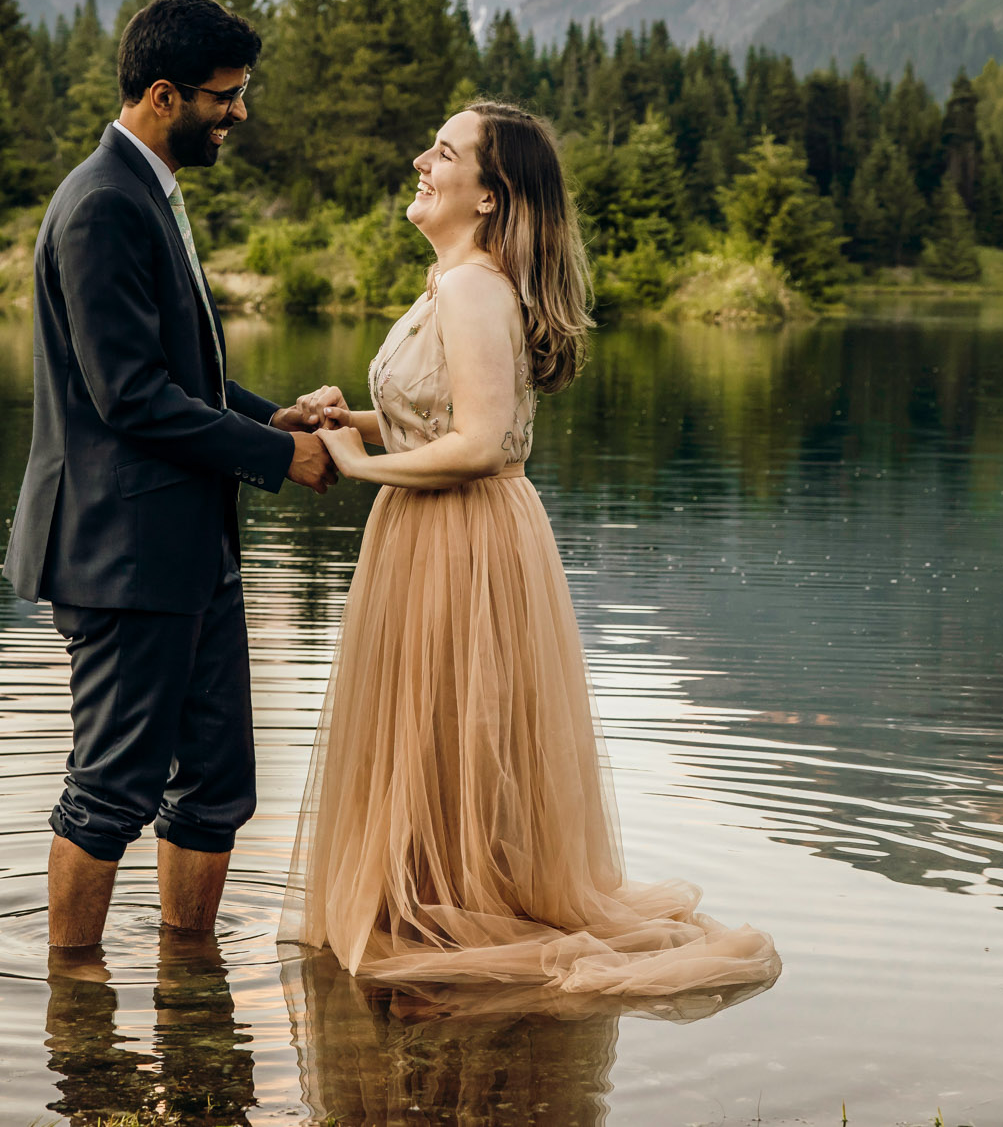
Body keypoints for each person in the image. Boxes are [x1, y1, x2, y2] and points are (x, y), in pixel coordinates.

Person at [278, 102, 782, 996]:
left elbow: (483, 444)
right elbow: (448, 417)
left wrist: (358, 463)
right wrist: (349, 417)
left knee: (452, 739)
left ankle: (448, 922)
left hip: (459, 539)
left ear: (489, 195)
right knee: (438, 741)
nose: (422, 163)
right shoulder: (456, 280)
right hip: (439, 530)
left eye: (444, 152)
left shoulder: (473, 285)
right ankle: (433, 911)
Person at [3, 0, 334, 952]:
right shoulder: (103, 202)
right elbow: (131, 396)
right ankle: (77, 1004)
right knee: (110, 788)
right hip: (125, 554)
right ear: (162, 94)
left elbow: (185, 377)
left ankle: (190, 984)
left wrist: (273, 415)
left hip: (189, 550)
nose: (238, 115)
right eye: (225, 98)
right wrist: (282, 456)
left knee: (219, 783)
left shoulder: (146, 188)